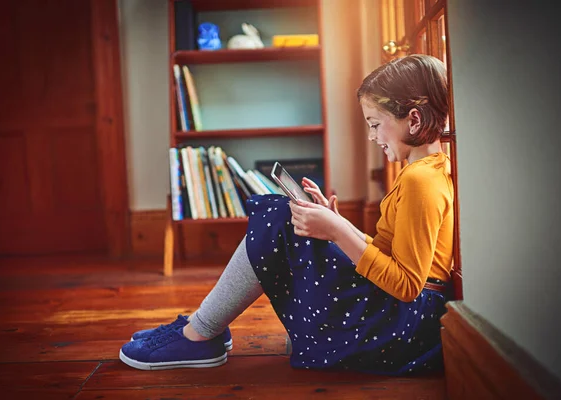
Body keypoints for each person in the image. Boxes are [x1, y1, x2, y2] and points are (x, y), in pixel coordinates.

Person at [119, 54, 454, 375]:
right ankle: (203, 327)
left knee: (277, 217)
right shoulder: (421, 173)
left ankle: (201, 333)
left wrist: (339, 231)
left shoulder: (420, 181)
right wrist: (337, 223)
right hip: (401, 320)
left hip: (402, 328)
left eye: (375, 124)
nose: (371, 136)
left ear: (413, 118)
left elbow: (408, 285)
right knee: (284, 214)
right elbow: (392, 257)